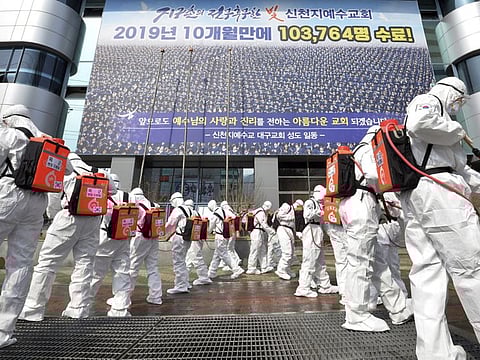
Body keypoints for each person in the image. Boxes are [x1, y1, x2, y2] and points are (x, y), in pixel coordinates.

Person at [401, 76, 480, 359]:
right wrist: (457, 130)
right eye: (460, 102)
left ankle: (435, 352)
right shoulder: (429, 101)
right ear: (454, 93)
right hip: (439, 195)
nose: (459, 108)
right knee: (471, 268)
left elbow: (458, 166)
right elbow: (419, 123)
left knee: (427, 274)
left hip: (423, 193)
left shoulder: (440, 119)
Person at [20, 153, 111, 322]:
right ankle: (78, 308)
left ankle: (33, 309)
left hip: (68, 217)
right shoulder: (101, 173)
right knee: (85, 264)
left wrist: (54, 217)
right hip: (93, 220)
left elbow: (54, 198)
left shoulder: (66, 172)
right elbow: (111, 191)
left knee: (48, 263)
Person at [339, 126, 413, 332]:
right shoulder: (369, 149)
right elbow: (372, 174)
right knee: (359, 261)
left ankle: (398, 308)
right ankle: (356, 315)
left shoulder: (359, 149)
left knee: (378, 262)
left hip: (362, 204)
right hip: (361, 205)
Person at [0, 105, 49, 348]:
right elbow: (68, 170)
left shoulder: (8, 133)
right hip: (37, 201)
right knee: (21, 264)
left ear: (7, 118)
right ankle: (4, 332)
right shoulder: (46, 139)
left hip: (7, 193)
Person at [88, 179, 132, 317]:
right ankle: (120, 309)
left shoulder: (102, 194)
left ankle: (83, 305)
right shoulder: (129, 196)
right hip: (123, 237)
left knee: (95, 274)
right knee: (122, 273)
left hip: (104, 236)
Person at [295, 186, 336, 297]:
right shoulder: (310, 202)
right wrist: (320, 212)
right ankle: (303, 287)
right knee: (310, 259)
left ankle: (325, 285)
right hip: (311, 230)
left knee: (320, 261)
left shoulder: (319, 204)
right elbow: (307, 215)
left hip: (317, 230)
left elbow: (323, 222)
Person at [128, 188, 163, 305]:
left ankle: (124, 297)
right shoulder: (154, 205)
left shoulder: (134, 205)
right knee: (153, 267)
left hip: (140, 237)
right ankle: (156, 296)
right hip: (154, 237)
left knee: (133, 266)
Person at [207, 200, 244, 280]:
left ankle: (237, 269)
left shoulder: (215, 215)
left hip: (219, 237)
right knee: (216, 255)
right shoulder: (224, 210)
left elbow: (210, 228)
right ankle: (211, 272)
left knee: (224, 255)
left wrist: (207, 232)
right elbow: (234, 217)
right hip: (226, 235)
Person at [164, 192, 192, 294]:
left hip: (180, 237)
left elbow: (171, 223)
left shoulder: (178, 210)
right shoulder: (190, 209)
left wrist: (161, 232)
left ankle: (180, 285)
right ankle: (185, 283)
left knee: (178, 262)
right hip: (188, 238)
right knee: (183, 261)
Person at [184, 199, 212, 286]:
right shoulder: (197, 213)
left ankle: (204, 277)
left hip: (192, 239)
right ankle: (184, 279)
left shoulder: (188, 213)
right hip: (198, 238)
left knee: (196, 257)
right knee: (188, 259)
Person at [246, 201, 275, 275]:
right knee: (255, 250)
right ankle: (251, 268)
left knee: (262, 249)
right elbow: (264, 224)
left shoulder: (259, 211)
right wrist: (271, 231)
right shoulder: (261, 213)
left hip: (259, 232)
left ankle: (264, 267)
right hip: (257, 232)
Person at [274, 202, 296, 280]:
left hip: (290, 229)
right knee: (287, 252)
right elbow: (279, 215)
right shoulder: (287, 207)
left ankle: (287, 268)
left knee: (292, 252)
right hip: (283, 228)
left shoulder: (294, 211)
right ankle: (281, 270)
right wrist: (291, 217)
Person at [218, 200, 242, 270]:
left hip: (230, 232)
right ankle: (237, 259)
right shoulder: (232, 211)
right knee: (231, 248)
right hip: (232, 232)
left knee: (228, 248)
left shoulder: (227, 212)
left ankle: (232, 263)